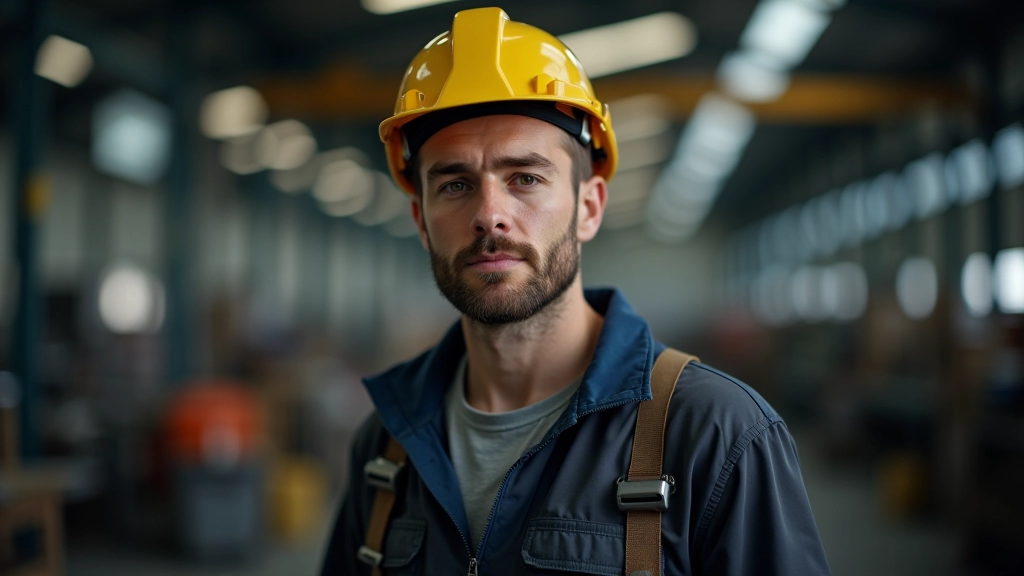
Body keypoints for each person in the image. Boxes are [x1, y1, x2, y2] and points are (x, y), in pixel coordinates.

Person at [320, 7, 831, 575]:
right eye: (456, 185)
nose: (490, 214)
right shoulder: (386, 446)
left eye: (526, 178)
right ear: (421, 220)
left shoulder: (716, 434)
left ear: (588, 208)